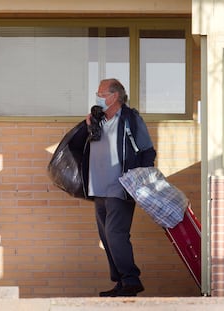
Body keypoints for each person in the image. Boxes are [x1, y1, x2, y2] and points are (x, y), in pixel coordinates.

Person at [68, 78, 156, 297]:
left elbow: (147, 150)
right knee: (107, 237)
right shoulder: (97, 121)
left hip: (121, 187)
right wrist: (87, 125)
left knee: (115, 233)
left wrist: (139, 180)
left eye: (101, 93)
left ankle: (131, 279)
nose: (98, 97)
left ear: (114, 96)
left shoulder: (130, 119)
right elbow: (79, 146)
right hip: (97, 189)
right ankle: (121, 284)